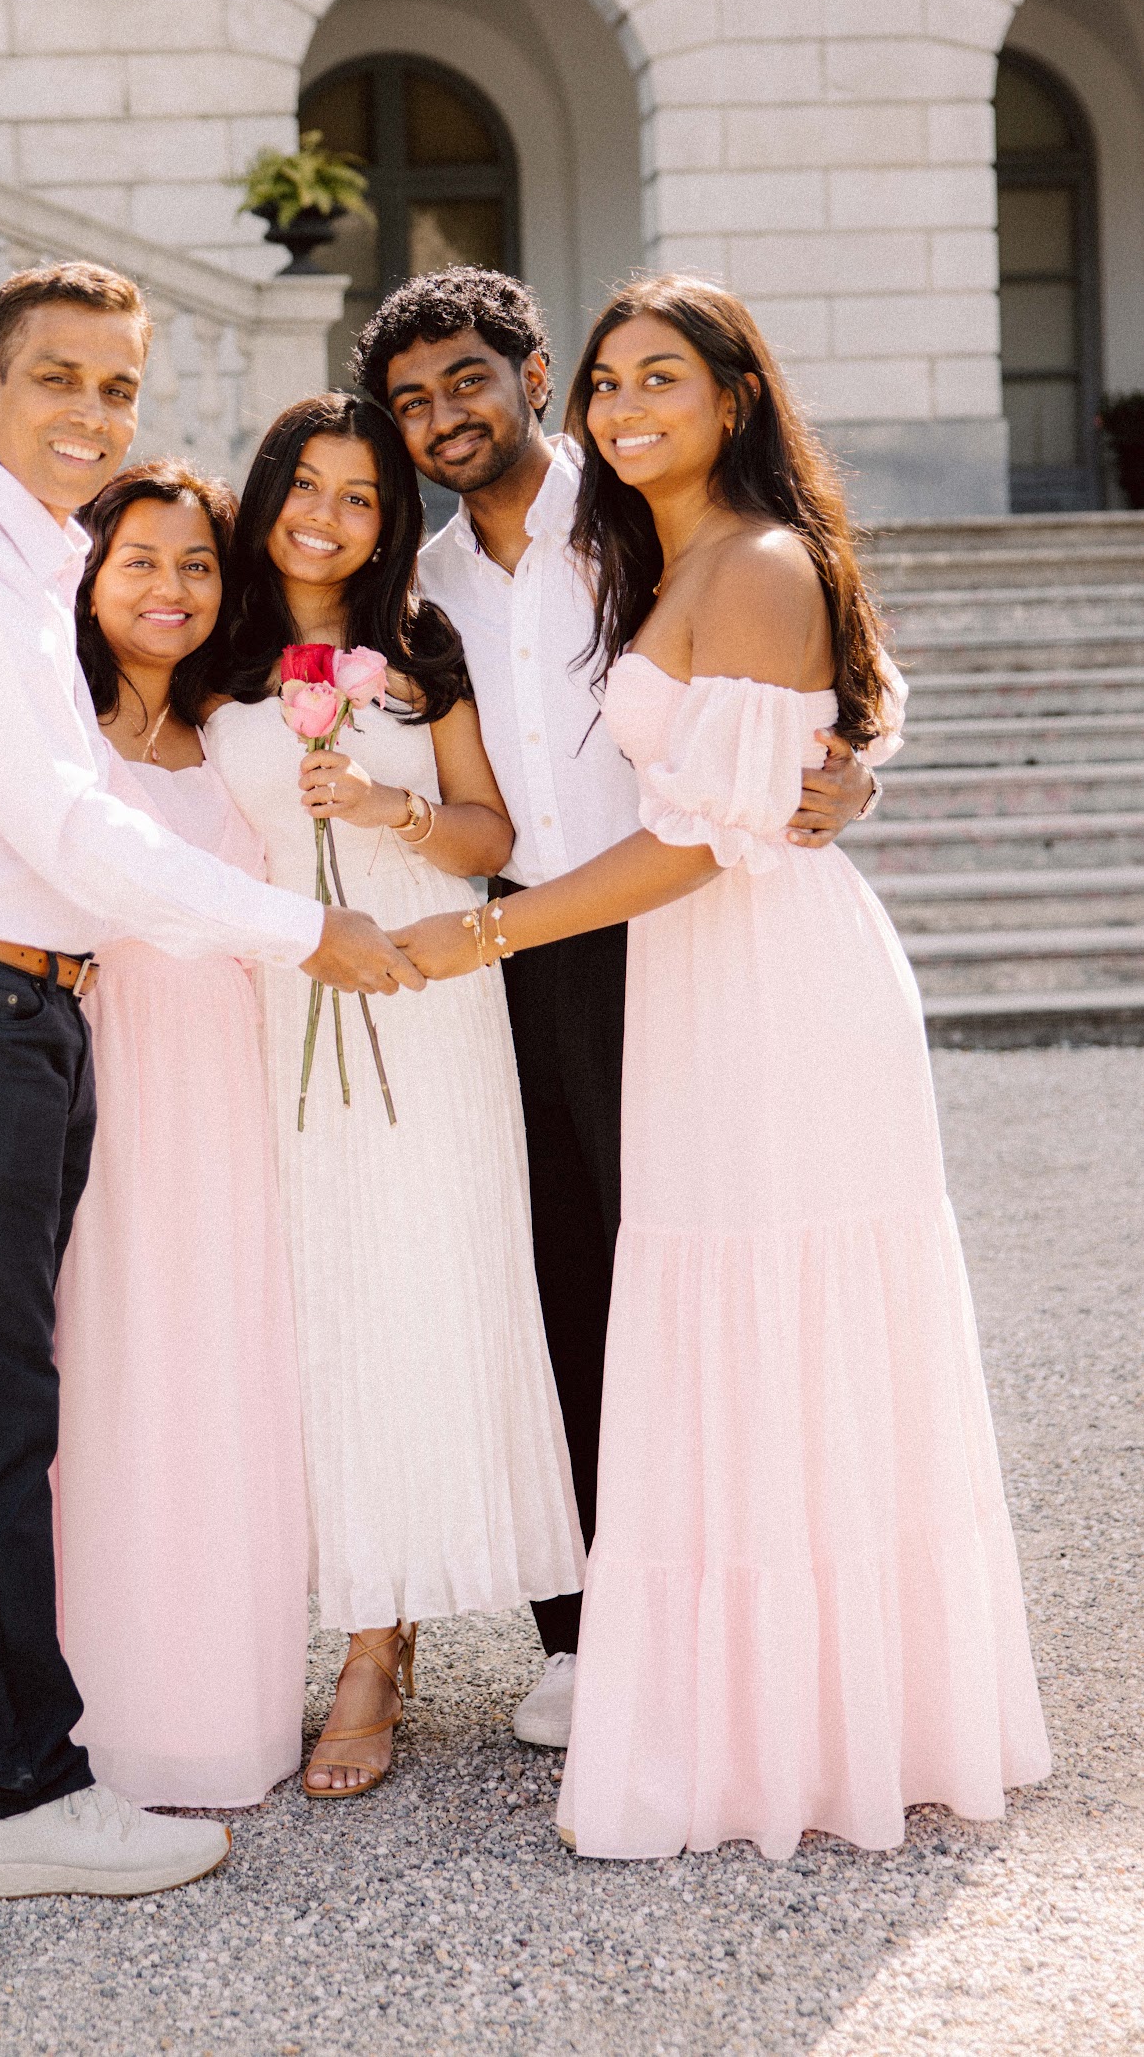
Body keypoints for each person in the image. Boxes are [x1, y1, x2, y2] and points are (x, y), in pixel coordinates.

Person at [396, 275, 1051, 1859]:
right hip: (637, 953)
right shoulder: (541, 561)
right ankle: (675, 1665)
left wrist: (848, 776)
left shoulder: (721, 548)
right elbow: (797, 711)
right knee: (627, 1296)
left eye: (656, 380)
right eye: (615, 383)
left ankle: (815, 1708)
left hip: (724, 957)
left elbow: (750, 784)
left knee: (765, 1307)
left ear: (732, 395)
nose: (625, 409)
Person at [0, 263, 420, 1901]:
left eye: (119, 387)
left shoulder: (30, 566)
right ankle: (17, 1800)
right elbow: (71, 832)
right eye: (57, 379)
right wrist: (307, 932)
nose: (91, 413)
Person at [360, 266, 874, 1749]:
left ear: (535, 378)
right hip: (524, 952)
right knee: (558, 1278)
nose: (445, 418)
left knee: (706, 1273)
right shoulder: (420, 586)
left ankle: (744, 1607)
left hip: (688, 935)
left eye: (469, 380)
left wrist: (853, 770)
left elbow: (824, 667)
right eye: (413, 403)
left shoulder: (649, 509)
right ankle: (584, 1635)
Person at [0, 459, 310, 1814]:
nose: (171, 589)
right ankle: (53, 1715)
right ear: (85, 582)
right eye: (139, 560)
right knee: (52, 1385)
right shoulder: (51, 733)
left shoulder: (245, 736)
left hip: (224, 1102)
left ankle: (214, 1694)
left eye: (198, 564)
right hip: (76, 1073)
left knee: (215, 1376)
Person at [202, 391, 582, 1800]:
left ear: (390, 520)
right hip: (275, 1018)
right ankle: (353, 1618)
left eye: (359, 495)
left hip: (431, 1010)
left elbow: (490, 836)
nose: (326, 516)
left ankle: (384, 1639)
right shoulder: (208, 654)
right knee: (318, 1313)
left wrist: (385, 808)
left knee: (426, 1296)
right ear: (264, 496)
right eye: (304, 486)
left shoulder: (423, 649)